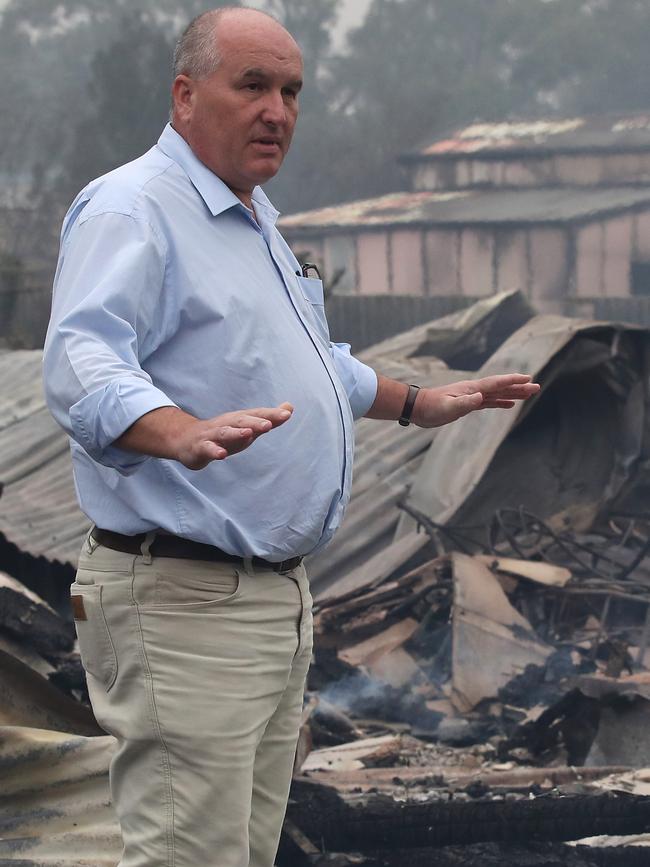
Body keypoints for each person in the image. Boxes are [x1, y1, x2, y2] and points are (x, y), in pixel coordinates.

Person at [42, 7, 539, 866]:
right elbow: (82, 358)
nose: (278, 110)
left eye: (292, 91)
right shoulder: (133, 208)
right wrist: (177, 431)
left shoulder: (254, 218)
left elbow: (316, 368)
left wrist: (421, 402)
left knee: (240, 852)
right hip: (184, 600)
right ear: (186, 95)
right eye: (254, 86)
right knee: (186, 856)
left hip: (270, 602)